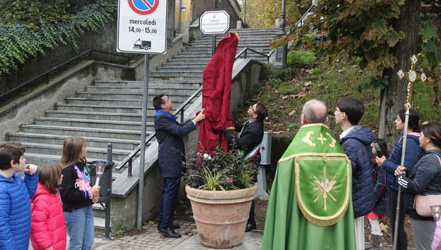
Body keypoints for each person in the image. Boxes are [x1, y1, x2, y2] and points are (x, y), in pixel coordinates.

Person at [262, 99, 357, 250]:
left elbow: (282, 207)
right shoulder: (342, 158)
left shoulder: (290, 158)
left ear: (303, 119)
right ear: (326, 120)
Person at [153, 94, 205, 238]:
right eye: (168, 99)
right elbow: (179, 131)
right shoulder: (161, 117)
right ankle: (165, 226)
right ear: (163, 105)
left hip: (171, 160)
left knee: (168, 192)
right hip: (170, 160)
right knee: (169, 192)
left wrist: (193, 120)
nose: (171, 100)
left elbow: (179, 126)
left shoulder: (165, 116)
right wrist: (196, 121)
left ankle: (165, 221)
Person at [376, 108, 421, 250]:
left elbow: (405, 167)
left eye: (398, 119)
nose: (395, 121)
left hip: (400, 187)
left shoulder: (412, 142)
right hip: (394, 185)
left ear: (406, 123)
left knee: (397, 224)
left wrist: (385, 163)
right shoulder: (404, 138)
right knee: (395, 223)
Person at [335, 96, 375, 250]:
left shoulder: (351, 143)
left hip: (352, 201)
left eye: (337, 111)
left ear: (344, 115)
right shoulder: (357, 138)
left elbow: (345, 175)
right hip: (358, 198)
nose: (334, 114)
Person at [395, 122, 441, 250]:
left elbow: (416, 186)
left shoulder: (430, 159)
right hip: (435, 207)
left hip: (425, 211)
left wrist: (400, 177)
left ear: (428, 139)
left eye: (421, 135)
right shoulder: (435, 157)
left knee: (424, 246)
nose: (418, 137)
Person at [225, 102, 268, 232]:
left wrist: (227, 131)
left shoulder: (256, 130)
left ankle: (250, 221)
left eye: (252, 108)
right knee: (240, 189)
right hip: (244, 161)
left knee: (247, 191)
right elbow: (242, 128)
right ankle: (241, 218)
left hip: (249, 161)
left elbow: (236, 143)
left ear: (255, 115)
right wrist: (230, 124)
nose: (249, 107)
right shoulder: (251, 123)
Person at [60, 137, 100, 250]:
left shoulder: (82, 166)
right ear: (77, 150)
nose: (86, 149)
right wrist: (89, 193)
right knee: (76, 245)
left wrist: (93, 194)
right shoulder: (67, 170)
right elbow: (67, 196)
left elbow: (85, 187)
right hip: (74, 211)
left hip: (86, 208)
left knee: (88, 243)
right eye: (84, 147)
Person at [0, 141, 38, 250]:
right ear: (13, 163)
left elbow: (27, 195)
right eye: (22, 158)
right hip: (12, 244)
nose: (25, 160)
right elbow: (1, 225)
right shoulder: (2, 190)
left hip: (20, 240)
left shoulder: (16, 178)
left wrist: (31, 177)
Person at [30, 163, 67, 250]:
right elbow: (37, 227)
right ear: (52, 178)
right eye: (59, 174)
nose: (62, 176)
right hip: (50, 246)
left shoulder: (52, 193)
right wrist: (47, 246)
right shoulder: (42, 199)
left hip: (57, 243)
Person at [366, 138, 390, 250]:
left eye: (372, 147)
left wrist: (373, 197)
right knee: (371, 219)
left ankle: (377, 245)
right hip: (373, 195)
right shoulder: (372, 161)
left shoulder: (381, 163)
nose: (370, 148)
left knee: (372, 219)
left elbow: (381, 182)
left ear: (378, 149)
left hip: (378, 196)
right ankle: (374, 244)